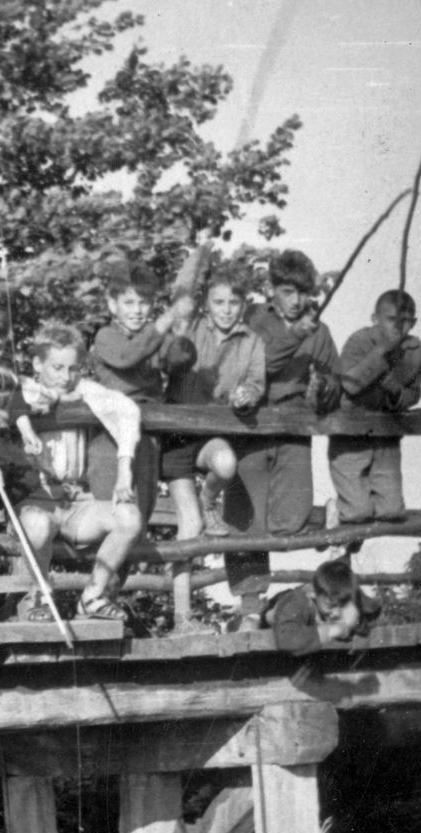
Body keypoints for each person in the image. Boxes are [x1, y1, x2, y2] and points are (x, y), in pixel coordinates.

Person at [225, 249, 340, 629]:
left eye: (303, 293)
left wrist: (326, 388)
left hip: (293, 427)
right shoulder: (254, 319)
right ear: (272, 289)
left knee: (292, 518)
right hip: (250, 426)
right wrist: (294, 335)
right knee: (246, 520)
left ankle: (329, 515)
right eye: (288, 292)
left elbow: (336, 377)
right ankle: (250, 608)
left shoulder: (319, 330)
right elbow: (255, 365)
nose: (296, 301)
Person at [10, 324, 145, 624]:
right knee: (37, 525)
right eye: (57, 367)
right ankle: (39, 594)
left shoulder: (82, 389)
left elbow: (127, 410)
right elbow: (22, 396)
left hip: (75, 504)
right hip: (35, 502)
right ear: (37, 364)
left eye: (73, 368)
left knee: (129, 517)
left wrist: (124, 469)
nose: (65, 377)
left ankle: (93, 596)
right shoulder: (25, 391)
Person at [164, 266, 266, 632]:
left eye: (233, 302)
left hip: (210, 434)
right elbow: (180, 300)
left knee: (225, 464)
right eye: (218, 302)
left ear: (243, 305)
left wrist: (246, 395)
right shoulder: (191, 327)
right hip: (176, 436)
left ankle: (209, 502)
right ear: (206, 304)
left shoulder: (251, 341)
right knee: (189, 526)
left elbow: (255, 382)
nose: (225, 309)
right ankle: (183, 618)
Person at [88, 261, 192, 528]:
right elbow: (127, 356)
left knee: (141, 517)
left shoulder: (153, 338)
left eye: (144, 303)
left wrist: (181, 333)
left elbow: (180, 361)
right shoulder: (105, 336)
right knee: (115, 519)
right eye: (129, 302)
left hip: (147, 439)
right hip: (110, 440)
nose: (137, 310)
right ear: (112, 305)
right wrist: (168, 318)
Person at [328, 289, 421, 527]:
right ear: (375, 319)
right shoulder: (360, 341)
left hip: (386, 435)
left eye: (406, 321)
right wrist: (380, 353)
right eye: (392, 319)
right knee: (357, 512)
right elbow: (349, 385)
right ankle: (337, 510)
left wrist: (396, 391)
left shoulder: (416, 351)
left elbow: (414, 393)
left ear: (413, 322)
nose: (399, 326)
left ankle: (357, 517)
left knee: (391, 511)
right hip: (352, 432)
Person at [266, 558, 377, 655]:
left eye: (342, 606)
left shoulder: (346, 596)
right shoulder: (300, 601)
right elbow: (286, 640)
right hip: (281, 605)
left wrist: (354, 622)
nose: (336, 613)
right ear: (313, 593)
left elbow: (372, 616)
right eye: (330, 606)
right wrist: (332, 630)